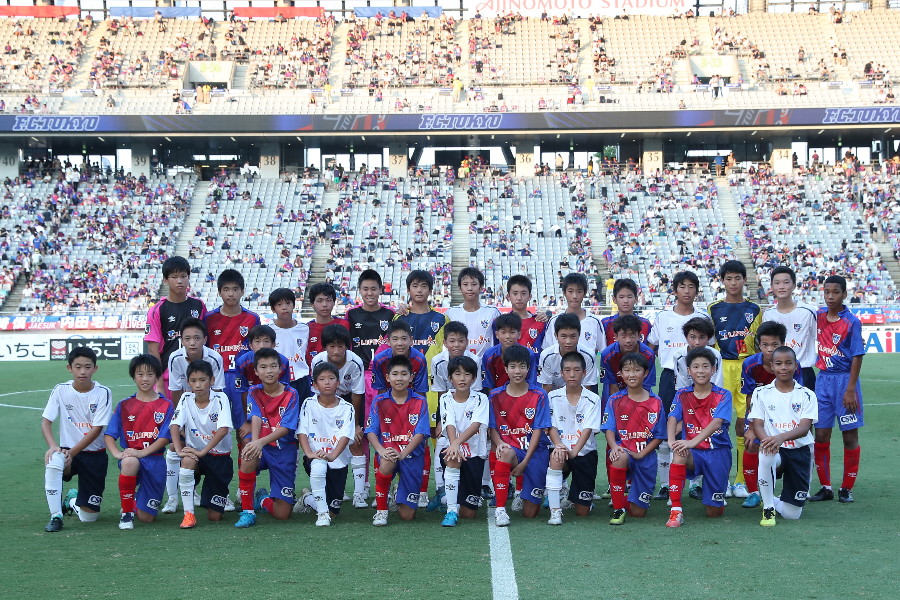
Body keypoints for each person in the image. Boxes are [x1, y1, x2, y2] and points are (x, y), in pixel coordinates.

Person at [204, 267, 260, 511]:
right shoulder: (209, 319)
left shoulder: (252, 319)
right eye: (226, 289)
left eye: (235, 289)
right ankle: (220, 491)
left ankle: (243, 487)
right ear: (219, 292)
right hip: (215, 384)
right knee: (218, 436)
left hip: (241, 384)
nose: (230, 294)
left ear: (242, 291)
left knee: (243, 433)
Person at [41, 347, 112, 532]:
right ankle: (55, 515)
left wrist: (72, 453)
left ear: (95, 368)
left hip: (95, 454)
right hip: (67, 451)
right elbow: (46, 422)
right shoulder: (60, 390)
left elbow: (97, 430)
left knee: (89, 518)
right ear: (69, 368)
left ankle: (72, 500)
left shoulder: (103, 392)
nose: (83, 371)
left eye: (87, 367)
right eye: (78, 366)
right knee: (54, 461)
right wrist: (53, 447)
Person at [707, 260, 761, 499]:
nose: (733, 283)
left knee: (744, 424)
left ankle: (741, 480)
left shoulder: (756, 310)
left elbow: (760, 345)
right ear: (722, 281)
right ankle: (721, 480)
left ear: (744, 280)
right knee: (718, 424)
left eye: (737, 278)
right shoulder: (713, 309)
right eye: (728, 278)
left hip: (747, 368)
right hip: (722, 368)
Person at [809, 275, 864, 504]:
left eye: (836, 292)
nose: (830, 296)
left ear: (844, 294)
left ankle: (847, 488)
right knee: (821, 434)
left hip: (845, 382)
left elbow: (857, 356)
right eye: (827, 292)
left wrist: (850, 389)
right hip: (823, 381)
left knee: (849, 435)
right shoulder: (819, 316)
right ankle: (826, 487)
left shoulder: (852, 321)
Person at [397, 270, 450, 506]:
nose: (419, 290)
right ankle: (414, 488)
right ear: (408, 289)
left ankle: (438, 488)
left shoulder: (441, 320)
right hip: (406, 390)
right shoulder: (399, 319)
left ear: (431, 290)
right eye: (415, 286)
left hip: (433, 389)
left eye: (424, 286)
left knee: (435, 439)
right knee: (408, 439)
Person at [748, 346, 817, 526]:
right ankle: (768, 507)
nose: (783, 367)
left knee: (791, 514)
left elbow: (804, 427)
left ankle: (773, 499)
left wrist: (779, 438)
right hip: (776, 450)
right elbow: (757, 423)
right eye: (778, 363)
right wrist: (767, 440)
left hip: (800, 450)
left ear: (796, 366)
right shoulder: (761, 393)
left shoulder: (807, 395)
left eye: (788, 363)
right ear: (772, 367)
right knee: (766, 453)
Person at [104, 354, 174, 530]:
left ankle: (135, 501)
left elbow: (165, 437)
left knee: (147, 518)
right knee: (129, 462)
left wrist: (142, 452)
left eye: (150, 374)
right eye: (140, 374)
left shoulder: (166, 405)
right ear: (133, 376)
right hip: (132, 457)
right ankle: (126, 514)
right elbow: (109, 435)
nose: (145, 379)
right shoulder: (125, 405)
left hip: (155, 460)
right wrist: (117, 454)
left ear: (157, 377)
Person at [665, 348, 732, 528]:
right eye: (695, 366)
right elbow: (672, 418)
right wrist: (672, 441)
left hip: (718, 453)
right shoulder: (682, 394)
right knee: (679, 452)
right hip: (694, 453)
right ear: (689, 370)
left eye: (705, 366)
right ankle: (676, 510)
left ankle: (713, 493)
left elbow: (717, 423)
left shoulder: (723, 395)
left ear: (714, 369)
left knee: (713, 512)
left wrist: (692, 441)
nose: (700, 371)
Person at [234, 348, 301, 528]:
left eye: (273, 366)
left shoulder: (291, 394)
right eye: (263, 367)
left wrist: (259, 442)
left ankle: (262, 499)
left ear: (281, 369)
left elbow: (286, 428)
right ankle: (248, 512)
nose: (269, 371)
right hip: (262, 444)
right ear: (256, 371)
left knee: (282, 514)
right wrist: (255, 444)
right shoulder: (254, 391)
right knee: (247, 454)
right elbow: (255, 416)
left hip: (283, 451)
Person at [739, 321, 802, 508]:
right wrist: (751, 426)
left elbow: (796, 397)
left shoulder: (792, 365)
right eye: (765, 345)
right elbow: (750, 398)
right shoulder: (750, 364)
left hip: (786, 416)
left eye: (774, 345)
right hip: (759, 417)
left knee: (794, 448)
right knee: (750, 442)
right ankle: (753, 493)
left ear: (783, 343)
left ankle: (794, 486)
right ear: (758, 344)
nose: (769, 349)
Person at [489, 345, 552, 526]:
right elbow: (493, 428)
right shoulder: (495, 395)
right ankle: (500, 509)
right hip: (512, 451)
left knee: (530, 513)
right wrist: (500, 443)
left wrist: (525, 462)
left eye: (522, 366)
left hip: (535, 452)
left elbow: (538, 430)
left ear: (528, 368)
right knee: (504, 451)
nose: (518, 371)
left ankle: (523, 493)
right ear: (506, 368)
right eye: (513, 366)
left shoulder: (539, 395)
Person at [365, 355, 430, 526]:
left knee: (407, 516)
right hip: (389, 453)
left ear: (411, 377)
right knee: (386, 461)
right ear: (387, 378)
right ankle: (381, 511)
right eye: (394, 374)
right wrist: (381, 450)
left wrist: (402, 454)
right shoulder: (379, 401)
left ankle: (397, 492)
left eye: (403, 374)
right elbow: (371, 431)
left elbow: (420, 434)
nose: (399, 378)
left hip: (411, 456)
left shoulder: (420, 401)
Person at [601, 352, 665, 525]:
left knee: (638, 513)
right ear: (620, 373)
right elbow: (608, 428)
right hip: (625, 451)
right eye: (627, 370)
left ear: (645, 373)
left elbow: (659, 436)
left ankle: (630, 496)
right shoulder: (615, 399)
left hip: (646, 457)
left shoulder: (656, 401)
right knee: (619, 456)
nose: (631, 374)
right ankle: (618, 508)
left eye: (636, 370)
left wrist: (641, 453)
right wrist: (614, 446)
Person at [169, 360, 233, 529]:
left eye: (202, 380)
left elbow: (224, 429)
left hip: (219, 457)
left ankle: (214, 497)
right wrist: (179, 450)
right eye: (194, 380)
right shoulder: (185, 397)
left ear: (212, 380)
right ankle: (188, 514)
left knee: (215, 517)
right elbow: (175, 425)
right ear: (188, 382)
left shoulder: (221, 398)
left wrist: (203, 451)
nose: (198, 385)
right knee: (187, 461)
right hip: (196, 455)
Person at [309, 324, 368, 508]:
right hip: (326, 402)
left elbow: (357, 394)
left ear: (347, 346)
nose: (336, 350)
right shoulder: (318, 362)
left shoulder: (355, 361)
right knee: (328, 441)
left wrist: (356, 424)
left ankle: (359, 494)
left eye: (340, 346)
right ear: (325, 347)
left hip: (348, 401)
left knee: (355, 442)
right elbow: (315, 393)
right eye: (331, 346)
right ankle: (337, 488)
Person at [296, 362, 356, 527]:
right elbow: (302, 431)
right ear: (315, 384)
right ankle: (321, 515)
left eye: (331, 378)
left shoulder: (347, 408)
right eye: (322, 379)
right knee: (318, 466)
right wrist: (309, 453)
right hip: (315, 456)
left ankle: (308, 499)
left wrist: (332, 455)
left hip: (338, 460)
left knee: (334, 511)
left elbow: (345, 435)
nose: (327, 382)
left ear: (338, 382)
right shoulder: (308, 403)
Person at [546, 352, 602, 526]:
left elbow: (588, 429)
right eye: (568, 370)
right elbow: (551, 427)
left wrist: (574, 452)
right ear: (561, 373)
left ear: (584, 373)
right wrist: (560, 446)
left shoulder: (593, 399)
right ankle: (555, 511)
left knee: (582, 512)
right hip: (561, 449)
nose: (572, 374)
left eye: (576, 370)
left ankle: (578, 498)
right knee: (556, 456)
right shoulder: (552, 397)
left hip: (584, 452)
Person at [144, 256, 207, 400]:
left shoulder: (198, 305)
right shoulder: (157, 310)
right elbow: (153, 350)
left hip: (196, 376)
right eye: (174, 277)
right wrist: (159, 383)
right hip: (168, 378)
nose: (179, 281)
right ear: (165, 280)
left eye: (183, 276)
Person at [438, 356, 490, 527]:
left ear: (474, 378)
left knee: (469, 514)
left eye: (467, 374)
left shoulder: (481, 399)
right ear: (450, 378)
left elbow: (476, 425)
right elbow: (449, 423)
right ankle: (451, 510)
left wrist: (456, 443)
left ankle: (447, 496)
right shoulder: (445, 398)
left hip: (475, 455)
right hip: (453, 451)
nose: (462, 378)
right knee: (452, 457)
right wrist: (454, 445)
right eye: (457, 374)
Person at [763, 266, 817, 390]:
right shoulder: (768, 314)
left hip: (804, 371)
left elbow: (821, 337)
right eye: (777, 283)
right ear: (772, 286)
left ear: (793, 285)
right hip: (776, 373)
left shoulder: (808, 312)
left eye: (786, 282)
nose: (781, 287)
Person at [543, 273, 605, 359]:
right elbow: (547, 351)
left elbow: (602, 350)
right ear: (564, 293)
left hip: (586, 371)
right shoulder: (554, 321)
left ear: (584, 293)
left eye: (579, 291)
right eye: (570, 291)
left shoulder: (594, 321)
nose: (575, 296)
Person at [445, 267, 501, 361]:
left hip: (486, 367)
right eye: (465, 284)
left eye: (474, 284)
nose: (470, 288)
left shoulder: (493, 312)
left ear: (481, 287)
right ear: (460, 288)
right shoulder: (451, 313)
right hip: (459, 368)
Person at [166, 318, 225, 405]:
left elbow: (217, 390)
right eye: (187, 338)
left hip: (209, 402)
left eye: (197, 338)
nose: (192, 343)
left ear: (205, 340)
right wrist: (179, 413)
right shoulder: (175, 358)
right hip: (186, 402)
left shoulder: (215, 358)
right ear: (181, 341)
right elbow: (175, 390)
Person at [268, 287, 311, 402]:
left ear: (294, 305)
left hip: (301, 380)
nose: (284, 307)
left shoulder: (305, 329)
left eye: (288, 303)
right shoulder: (268, 330)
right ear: (273, 309)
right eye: (279, 304)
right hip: (278, 381)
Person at [538, 313, 599, 393]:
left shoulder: (588, 356)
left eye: (573, 336)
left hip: (580, 396)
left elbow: (587, 388)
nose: (568, 341)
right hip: (555, 398)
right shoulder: (546, 356)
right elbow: (547, 388)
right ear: (556, 336)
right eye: (563, 336)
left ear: (579, 335)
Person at [600, 315, 656, 395]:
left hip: (640, 394)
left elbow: (646, 386)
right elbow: (613, 387)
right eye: (624, 336)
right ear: (616, 336)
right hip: (616, 394)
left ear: (639, 336)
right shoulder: (607, 355)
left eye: (632, 335)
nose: (628, 340)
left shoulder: (648, 355)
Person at [482, 313, 538, 393]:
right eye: (503, 332)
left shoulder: (529, 354)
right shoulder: (489, 355)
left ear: (519, 334)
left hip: (523, 396)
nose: (508, 336)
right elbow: (489, 384)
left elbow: (532, 382)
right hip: (497, 397)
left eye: (512, 332)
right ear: (497, 335)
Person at [371, 319, 428, 395]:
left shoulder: (420, 359)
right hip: (389, 401)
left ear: (411, 340)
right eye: (395, 339)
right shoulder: (379, 360)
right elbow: (381, 391)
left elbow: (420, 391)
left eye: (404, 339)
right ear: (388, 341)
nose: (400, 343)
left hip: (412, 401)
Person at [305, 282, 350, 366]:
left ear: (334, 302)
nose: (324, 305)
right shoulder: (306, 329)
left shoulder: (344, 324)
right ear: (312, 304)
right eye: (320, 301)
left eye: (328, 300)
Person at [600, 278, 652, 346]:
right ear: (614, 299)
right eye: (621, 297)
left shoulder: (645, 324)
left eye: (629, 297)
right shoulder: (605, 324)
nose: (626, 301)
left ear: (636, 299)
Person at [505, 274, 548, 352]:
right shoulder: (501, 322)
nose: (519, 298)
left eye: (523, 293)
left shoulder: (540, 321)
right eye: (515, 293)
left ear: (530, 296)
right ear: (508, 296)